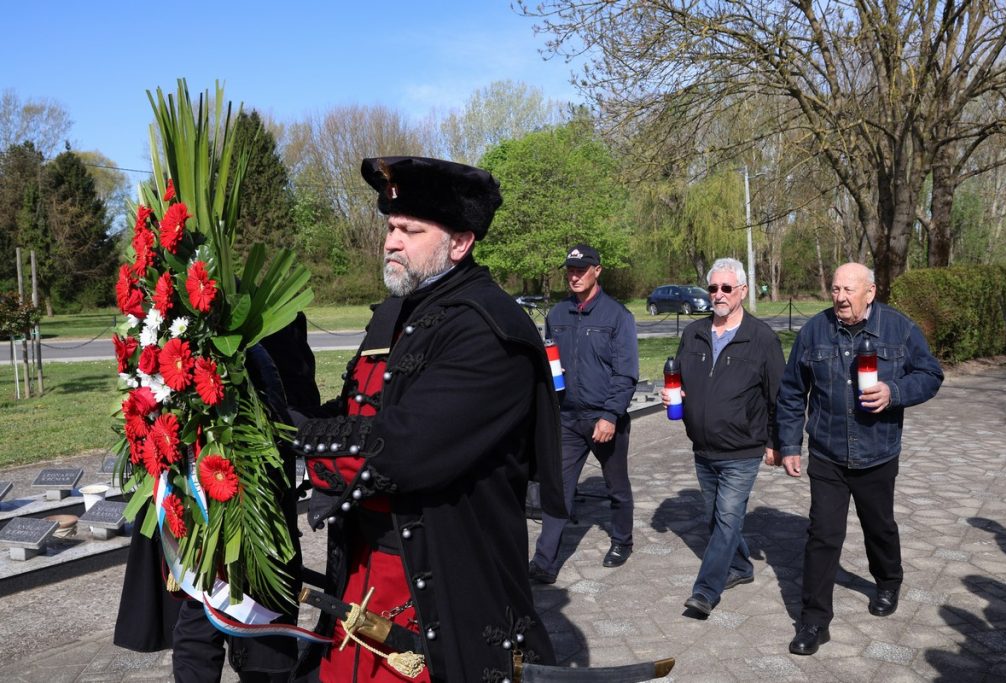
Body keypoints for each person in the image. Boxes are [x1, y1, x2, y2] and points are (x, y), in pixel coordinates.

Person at [290, 156, 565, 682]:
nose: (392, 240)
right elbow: (356, 412)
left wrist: (298, 439)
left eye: (411, 230)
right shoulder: (393, 314)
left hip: (442, 581)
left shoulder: (490, 330)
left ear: (459, 243)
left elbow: (404, 448)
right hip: (363, 571)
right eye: (391, 227)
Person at [115, 313, 319, 682]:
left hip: (245, 497)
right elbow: (301, 400)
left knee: (223, 610)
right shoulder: (198, 319)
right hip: (208, 495)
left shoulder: (262, 323)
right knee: (211, 608)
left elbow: (297, 400)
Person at [776, 263, 943, 656]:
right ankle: (815, 621)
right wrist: (788, 444)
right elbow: (791, 391)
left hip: (877, 452)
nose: (840, 298)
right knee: (822, 536)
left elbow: (931, 374)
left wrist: (895, 391)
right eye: (835, 289)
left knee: (879, 526)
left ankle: (888, 580)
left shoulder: (898, 328)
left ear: (870, 291)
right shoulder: (815, 330)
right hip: (828, 453)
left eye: (848, 290)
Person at [659, 257, 784, 617]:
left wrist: (779, 443)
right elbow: (679, 379)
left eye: (727, 288)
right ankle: (742, 567)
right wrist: (674, 394)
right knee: (716, 520)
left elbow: (781, 397)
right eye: (713, 287)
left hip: (743, 449)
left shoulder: (762, 339)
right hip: (703, 448)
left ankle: (705, 591)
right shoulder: (693, 333)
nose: (718, 294)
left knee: (728, 519)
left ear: (742, 291)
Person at [529, 243, 639, 584]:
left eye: (581, 270)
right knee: (558, 490)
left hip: (604, 418)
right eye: (571, 271)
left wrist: (609, 415)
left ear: (597, 271)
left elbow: (626, 373)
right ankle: (544, 562)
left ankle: (622, 541)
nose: (574, 276)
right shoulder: (558, 315)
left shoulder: (617, 316)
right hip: (567, 418)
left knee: (616, 487)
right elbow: (550, 365)